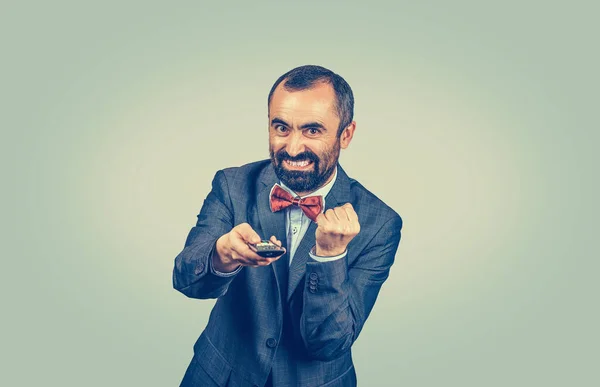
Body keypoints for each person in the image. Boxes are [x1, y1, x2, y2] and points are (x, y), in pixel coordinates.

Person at [173, 64, 403, 387]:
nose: (293, 148)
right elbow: (185, 278)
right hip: (218, 377)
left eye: (312, 131)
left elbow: (328, 343)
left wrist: (329, 258)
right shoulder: (232, 185)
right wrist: (221, 255)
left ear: (346, 134)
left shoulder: (380, 224)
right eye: (281, 128)